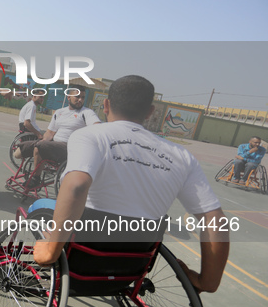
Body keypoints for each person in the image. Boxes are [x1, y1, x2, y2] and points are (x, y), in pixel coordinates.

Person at [33, 75, 230, 294]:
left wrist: (51, 250)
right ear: (150, 112)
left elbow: (77, 187)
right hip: (130, 269)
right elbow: (215, 219)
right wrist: (208, 281)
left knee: (38, 206)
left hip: (79, 265)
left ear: (106, 105)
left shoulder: (89, 136)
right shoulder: (182, 155)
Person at [14, 85, 100, 187]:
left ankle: (36, 178)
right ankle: (36, 164)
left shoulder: (86, 113)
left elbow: (97, 127)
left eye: (82, 97)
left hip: (69, 148)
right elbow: (50, 133)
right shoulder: (59, 112)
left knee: (40, 147)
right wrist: (42, 140)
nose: (80, 100)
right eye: (77, 97)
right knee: (18, 153)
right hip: (54, 144)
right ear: (68, 97)